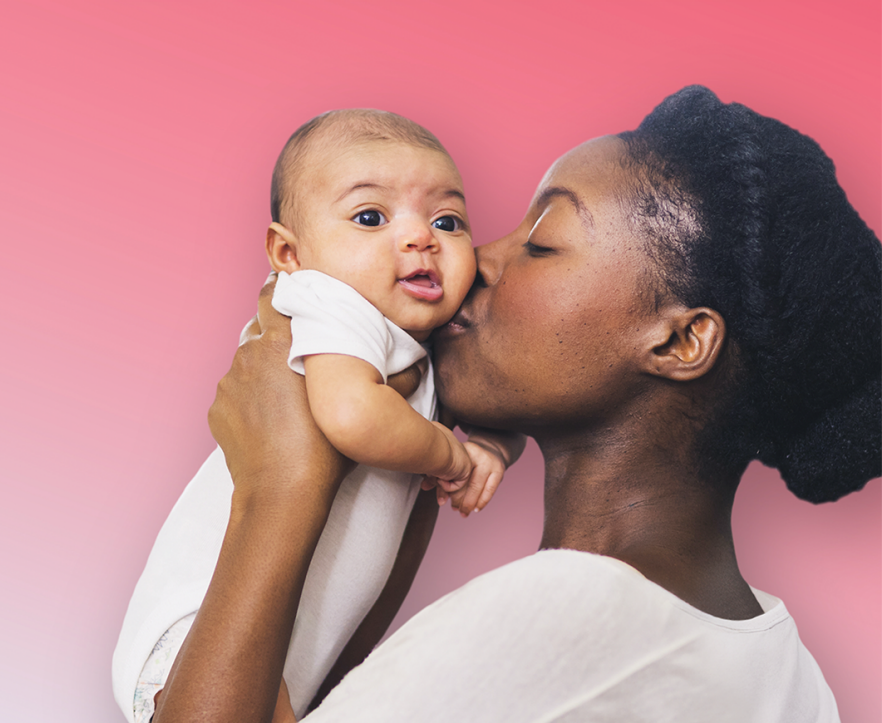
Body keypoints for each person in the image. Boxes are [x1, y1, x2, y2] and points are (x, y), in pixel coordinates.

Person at [150, 86, 882, 722]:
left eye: (543, 242)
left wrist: (279, 490)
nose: (477, 260)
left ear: (681, 340)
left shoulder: (564, 616)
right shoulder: (785, 668)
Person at [113, 109, 525, 723]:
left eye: (447, 220)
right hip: (197, 625)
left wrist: (494, 446)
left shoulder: (418, 333)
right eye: (369, 217)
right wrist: (453, 454)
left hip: (294, 642)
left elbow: (506, 406)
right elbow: (353, 414)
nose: (420, 238)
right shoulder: (330, 302)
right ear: (290, 252)